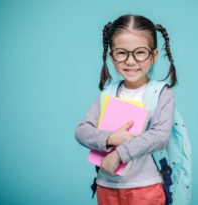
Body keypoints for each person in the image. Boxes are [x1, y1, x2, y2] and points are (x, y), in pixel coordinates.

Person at [75, 14, 177, 205]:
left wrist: (119, 154)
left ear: (153, 56)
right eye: (122, 53)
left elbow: (160, 136)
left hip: (145, 187)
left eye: (139, 52)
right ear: (112, 56)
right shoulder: (108, 93)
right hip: (107, 186)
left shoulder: (160, 93)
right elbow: (82, 131)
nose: (130, 61)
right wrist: (110, 138)